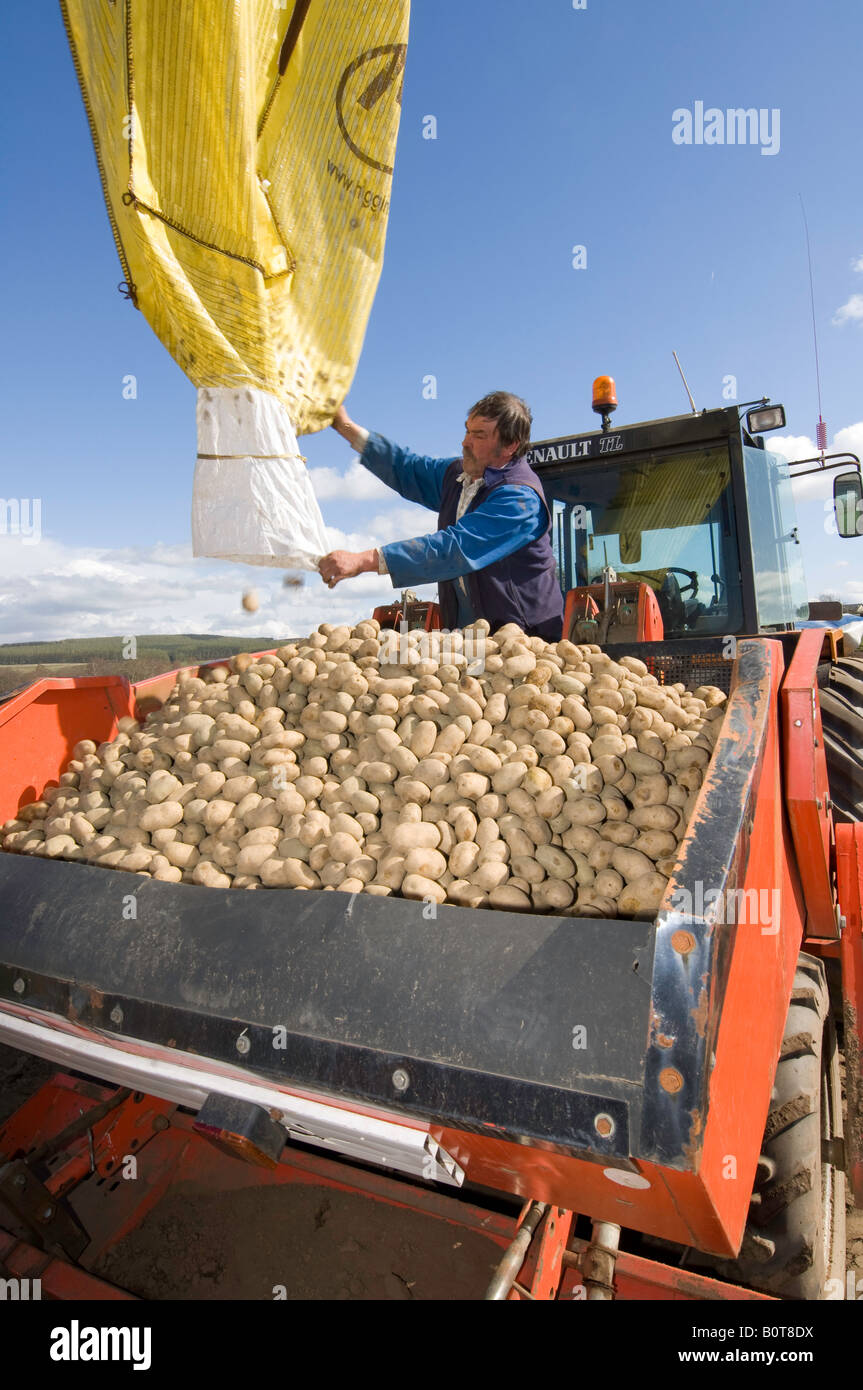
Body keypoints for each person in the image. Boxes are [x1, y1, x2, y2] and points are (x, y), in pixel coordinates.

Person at [318, 391, 564, 640]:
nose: (465, 442)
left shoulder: (520, 499)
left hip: (524, 640)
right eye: (467, 431)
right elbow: (407, 467)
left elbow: (454, 549)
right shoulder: (457, 477)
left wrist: (364, 560)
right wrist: (344, 425)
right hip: (469, 639)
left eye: (479, 435)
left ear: (510, 445)